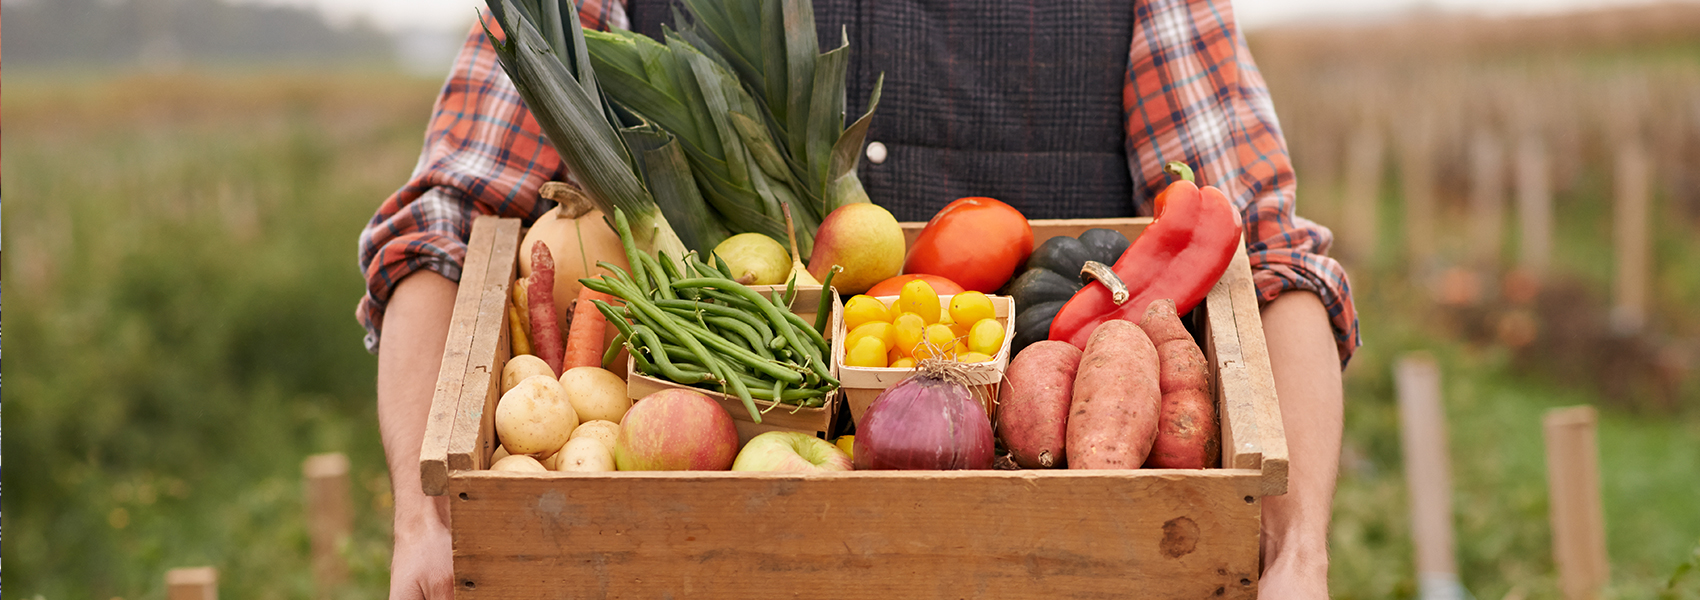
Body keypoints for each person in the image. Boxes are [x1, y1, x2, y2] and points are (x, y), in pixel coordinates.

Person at [358, 0, 1359, 597]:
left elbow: (1269, 260)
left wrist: (1296, 551)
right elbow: (440, 231)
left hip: (1064, 566)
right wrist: (421, 521)